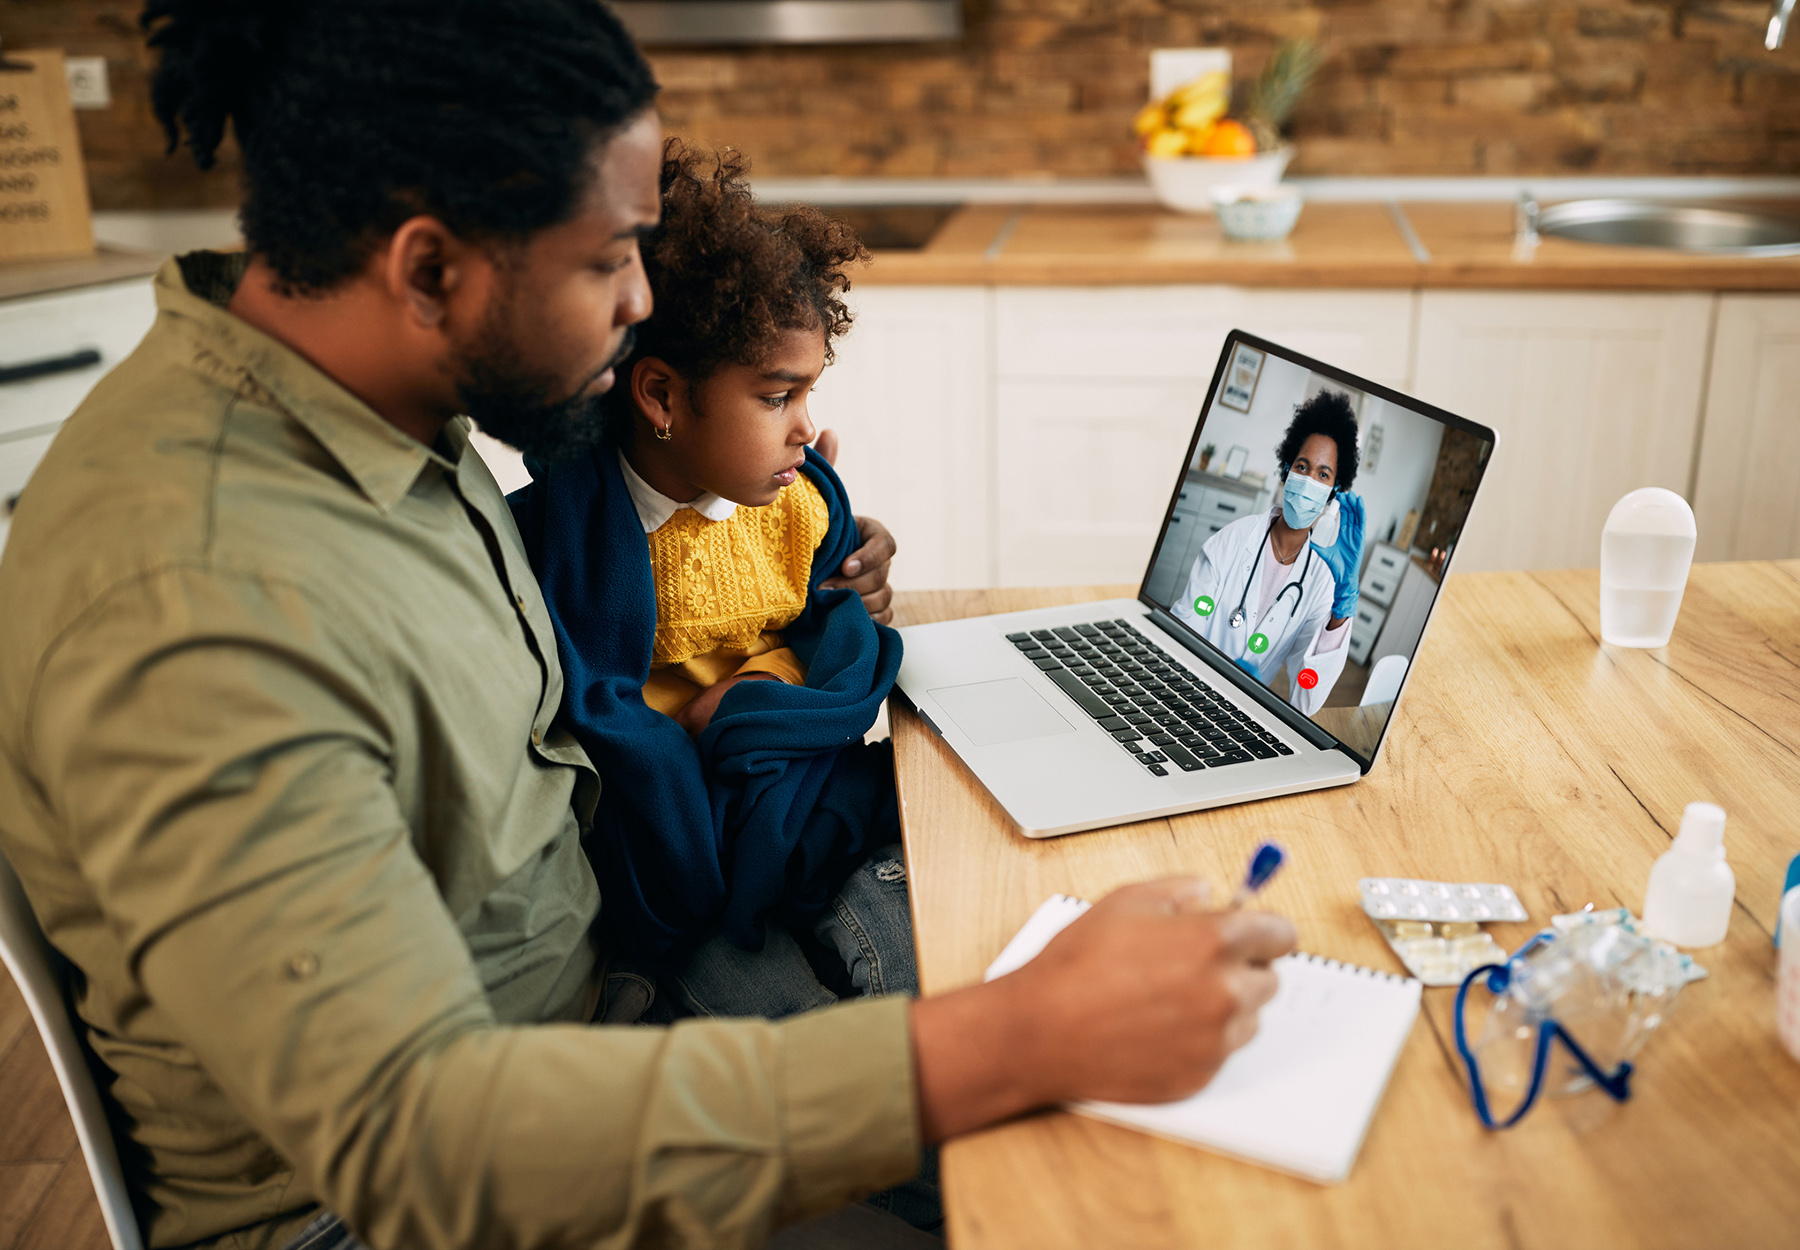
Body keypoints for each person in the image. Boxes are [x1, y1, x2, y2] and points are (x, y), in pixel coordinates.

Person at [0, 4, 1297, 1249]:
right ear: (431, 268)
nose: (639, 304)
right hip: (415, 1198)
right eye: (611, 256)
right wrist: (1015, 1035)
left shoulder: (377, 405)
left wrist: (775, 541)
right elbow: (425, 1144)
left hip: (601, 1002)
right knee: (1083, 1175)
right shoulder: (198, 598)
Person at [508, 140, 916, 1022]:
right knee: (805, 1049)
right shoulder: (564, 539)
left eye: (809, 395)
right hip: (678, 851)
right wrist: (698, 739)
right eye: (776, 399)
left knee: (927, 976)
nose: (807, 429)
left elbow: (838, 632)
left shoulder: (795, 502)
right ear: (660, 397)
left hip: (802, 803)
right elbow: (593, 723)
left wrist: (756, 693)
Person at [1173, 392, 1366, 714]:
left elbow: (1307, 697)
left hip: (1246, 713)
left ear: (1334, 491)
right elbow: (1183, 629)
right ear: (1287, 469)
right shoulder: (1234, 539)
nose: (1308, 481)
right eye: (1302, 466)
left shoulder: (1321, 581)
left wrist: (1343, 607)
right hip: (1187, 688)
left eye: (1322, 474)